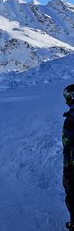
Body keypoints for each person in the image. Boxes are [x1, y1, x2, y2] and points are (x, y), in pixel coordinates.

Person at [63, 84, 74, 230]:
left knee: (72, 194)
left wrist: (67, 168)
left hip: (72, 164)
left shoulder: (71, 119)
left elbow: (68, 144)